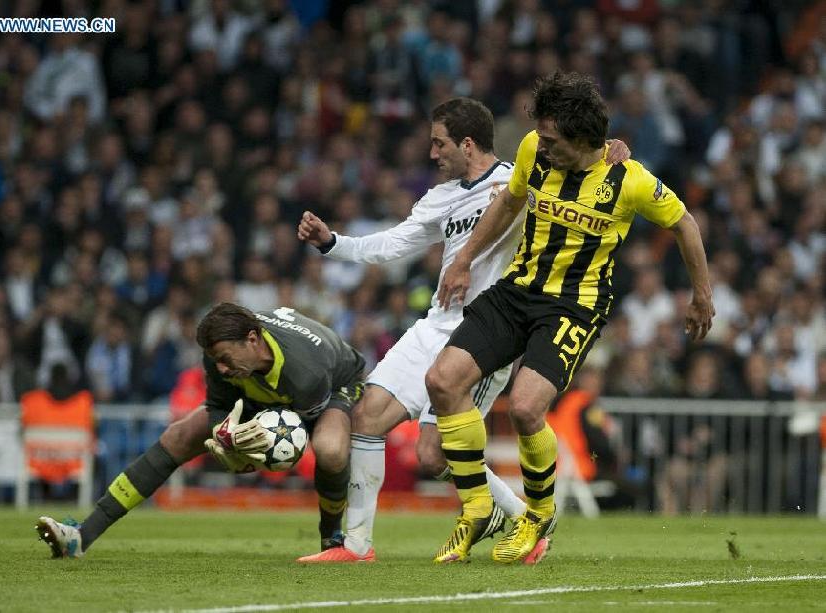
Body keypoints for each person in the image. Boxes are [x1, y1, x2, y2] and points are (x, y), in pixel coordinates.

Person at [293, 97, 631, 563]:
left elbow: (582, 168)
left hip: (487, 330)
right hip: (436, 323)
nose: (433, 154)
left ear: (467, 143)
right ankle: (356, 546)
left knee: (435, 456)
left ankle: (522, 520)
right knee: (367, 417)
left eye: (439, 144)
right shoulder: (440, 196)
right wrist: (334, 243)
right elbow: (395, 243)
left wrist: (611, 149)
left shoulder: (524, 177)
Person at [425, 71, 714, 564]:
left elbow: (685, 224)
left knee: (524, 408)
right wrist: (464, 259)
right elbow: (509, 201)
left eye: (553, 137)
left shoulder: (630, 179)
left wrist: (701, 296)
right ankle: (478, 508)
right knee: (442, 380)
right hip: (517, 290)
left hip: (574, 305)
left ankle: (537, 519)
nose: (542, 143)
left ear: (583, 139)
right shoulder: (535, 152)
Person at [36, 302, 366, 558]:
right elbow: (219, 408)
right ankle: (81, 535)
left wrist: (251, 455)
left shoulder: (305, 372)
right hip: (262, 384)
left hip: (338, 382)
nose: (219, 367)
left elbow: (291, 442)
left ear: (253, 340)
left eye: (224, 358)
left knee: (330, 448)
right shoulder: (222, 357)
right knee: (177, 436)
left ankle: (331, 538)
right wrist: (226, 435)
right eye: (214, 359)